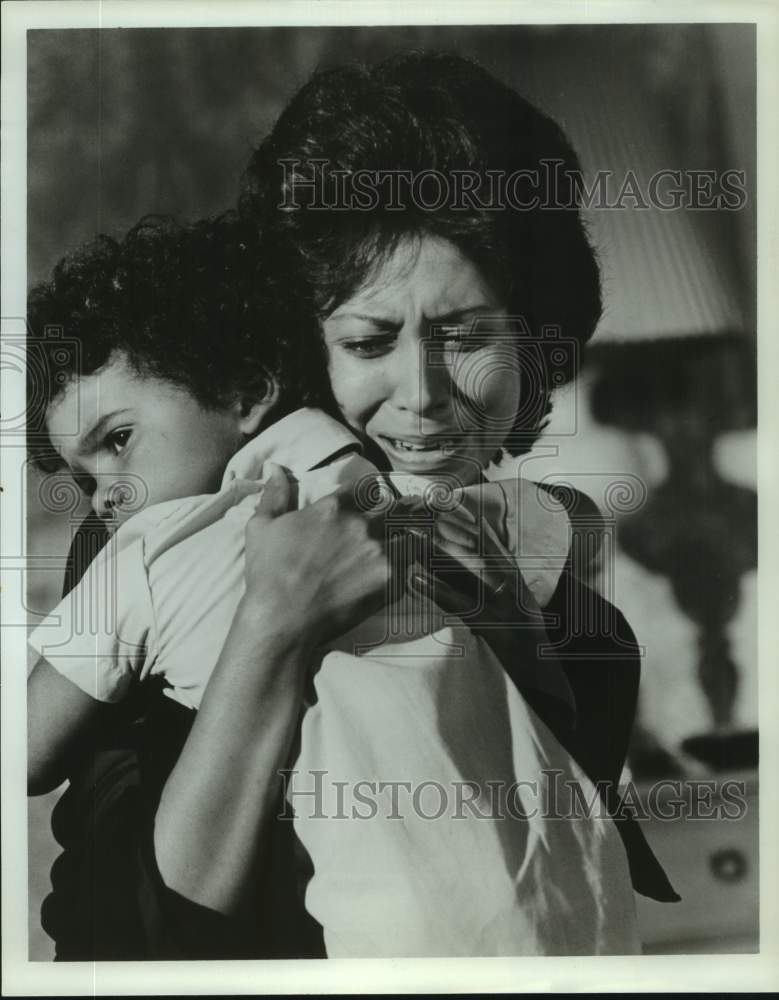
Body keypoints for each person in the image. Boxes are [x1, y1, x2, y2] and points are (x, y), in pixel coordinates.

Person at [32, 51, 678, 961]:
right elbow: (106, 938)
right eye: (368, 340)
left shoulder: (585, 628)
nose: (421, 392)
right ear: (301, 351)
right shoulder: (167, 535)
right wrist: (273, 625)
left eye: (465, 336)